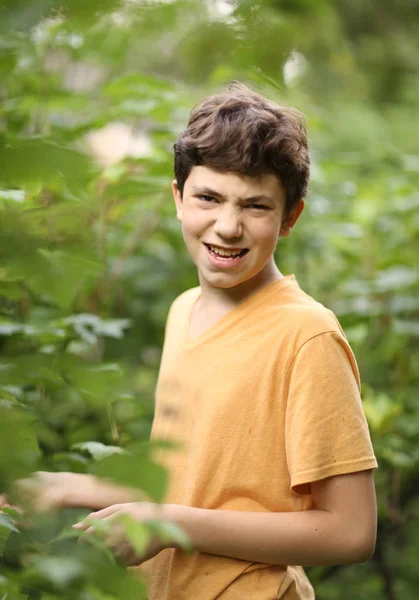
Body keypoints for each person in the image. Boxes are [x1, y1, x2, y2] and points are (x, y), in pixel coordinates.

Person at [7, 82, 378, 599]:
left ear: (289, 217)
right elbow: (193, 487)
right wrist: (68, 487)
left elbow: (350, 531)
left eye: (255, 206)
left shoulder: (306, 336)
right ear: (179, 197)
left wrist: (167, 526)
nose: (227, 227)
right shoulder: (185, 310)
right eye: (208, 197)